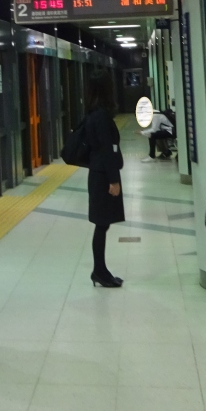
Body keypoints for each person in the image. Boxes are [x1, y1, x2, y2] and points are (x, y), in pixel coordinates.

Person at [83, 71, 124, 287]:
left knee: (103, 224)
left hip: (98, 174)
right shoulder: (101, 116)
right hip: (103, 177)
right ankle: (99, 271)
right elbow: (107, 149)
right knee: (101, 224)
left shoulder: (93, 114)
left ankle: (100, 270)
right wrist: (114, 180)